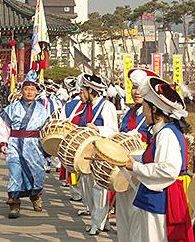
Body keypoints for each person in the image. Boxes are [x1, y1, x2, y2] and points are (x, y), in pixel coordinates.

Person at [125, 76, 194, 241]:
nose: (143, 112)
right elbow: (149, 158)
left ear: (155, 110)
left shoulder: (166, 134)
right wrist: (127, 158)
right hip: (158, 197)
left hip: (161, 200)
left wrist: (135, 167)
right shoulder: (164, 131)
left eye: (145, 107)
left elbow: (168, 169)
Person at [0, 70, 49, 219]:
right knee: (15, 173)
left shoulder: (42, 110)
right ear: (22, 90)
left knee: (37, 174)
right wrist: (2, 143)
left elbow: (47, 129)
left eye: (32, 89)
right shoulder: (12, 108)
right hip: (15, 145)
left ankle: (36, 196)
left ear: (36, 91)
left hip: (34, 147)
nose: (29, 92)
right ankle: (14, 203)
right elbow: (3, 126)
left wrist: (48, 146)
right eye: (26, 89)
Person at [115, 67, 157, 242]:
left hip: (141, 171)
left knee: (136, 216)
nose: (136, 91)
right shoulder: (130, 112)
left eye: (140, 87)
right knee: (123, 215)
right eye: (133, 87)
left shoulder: (155, 116)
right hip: (124, 169)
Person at [76, 73, 118, 236]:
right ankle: (102, 221)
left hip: (101, 153)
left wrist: (98, 129)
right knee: (88, 188)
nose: (81, 94)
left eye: (83, 91)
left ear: (90, 90)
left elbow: (114, 130)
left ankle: (96, 223)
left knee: (99, 188)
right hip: (86, 154)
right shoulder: (86, 107)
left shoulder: (107, 106)